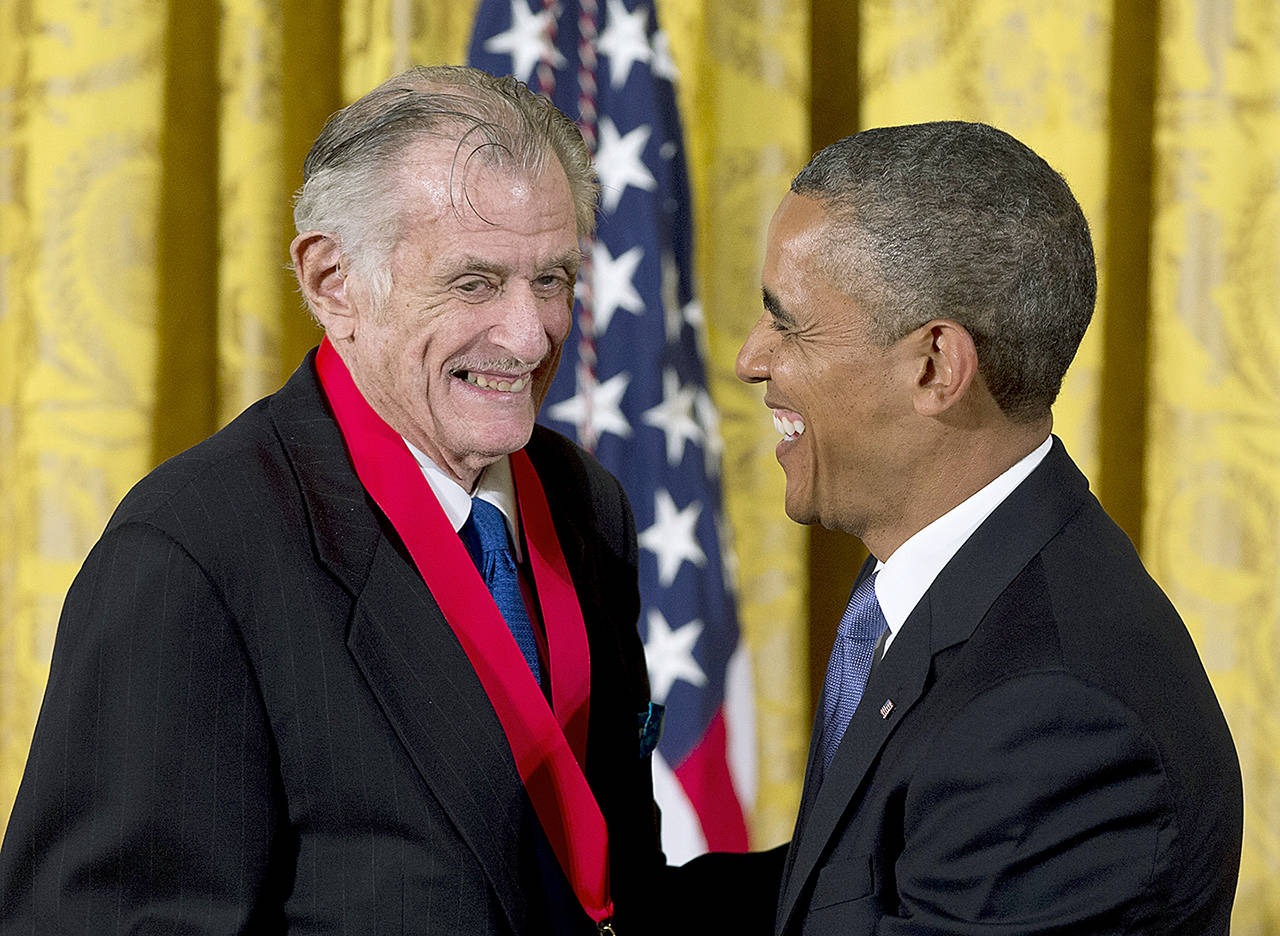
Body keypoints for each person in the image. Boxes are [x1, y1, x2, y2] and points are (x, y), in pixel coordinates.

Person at [0, 65, 664, 934]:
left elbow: (616, 888)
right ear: (332, 281)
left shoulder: (585, 503)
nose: (530, 333)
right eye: (475, 283)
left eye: (551, 278)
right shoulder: (193, 553)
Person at [733, 122, 1243, 934]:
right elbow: (842, 883)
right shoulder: (957, 578)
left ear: (935, 366)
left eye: (788, 323)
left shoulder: (1053, 723)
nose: (752, 360)